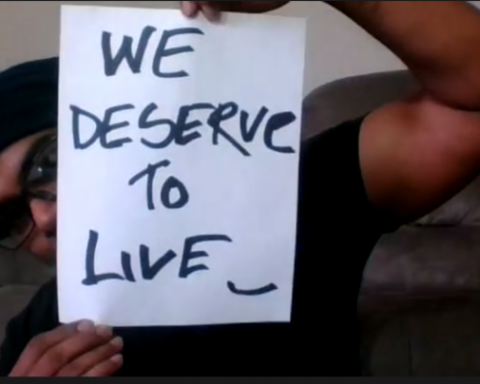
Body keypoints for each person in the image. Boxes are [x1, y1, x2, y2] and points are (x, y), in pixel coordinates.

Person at [1, 0, 480, 377]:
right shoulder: (35, 335)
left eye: (48, 164)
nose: (44, 220)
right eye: (9, 219)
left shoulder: (299, 196)